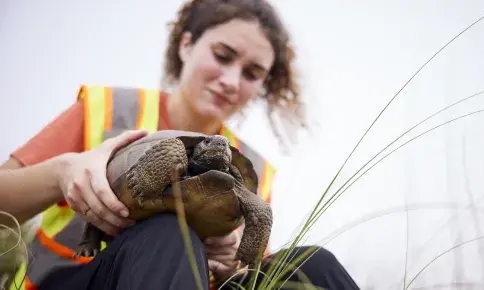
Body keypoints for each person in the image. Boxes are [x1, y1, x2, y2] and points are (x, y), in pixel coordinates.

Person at [0, 0, 361, 289]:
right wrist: (63, 172)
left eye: (252, 73)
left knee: (314, 263)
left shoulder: (252, 166)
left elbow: (246, 271)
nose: (231, 81)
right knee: (168, 234)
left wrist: (232, 262)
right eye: (222, 55)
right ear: (186, 45)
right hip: (77, 277)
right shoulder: (109, 109)